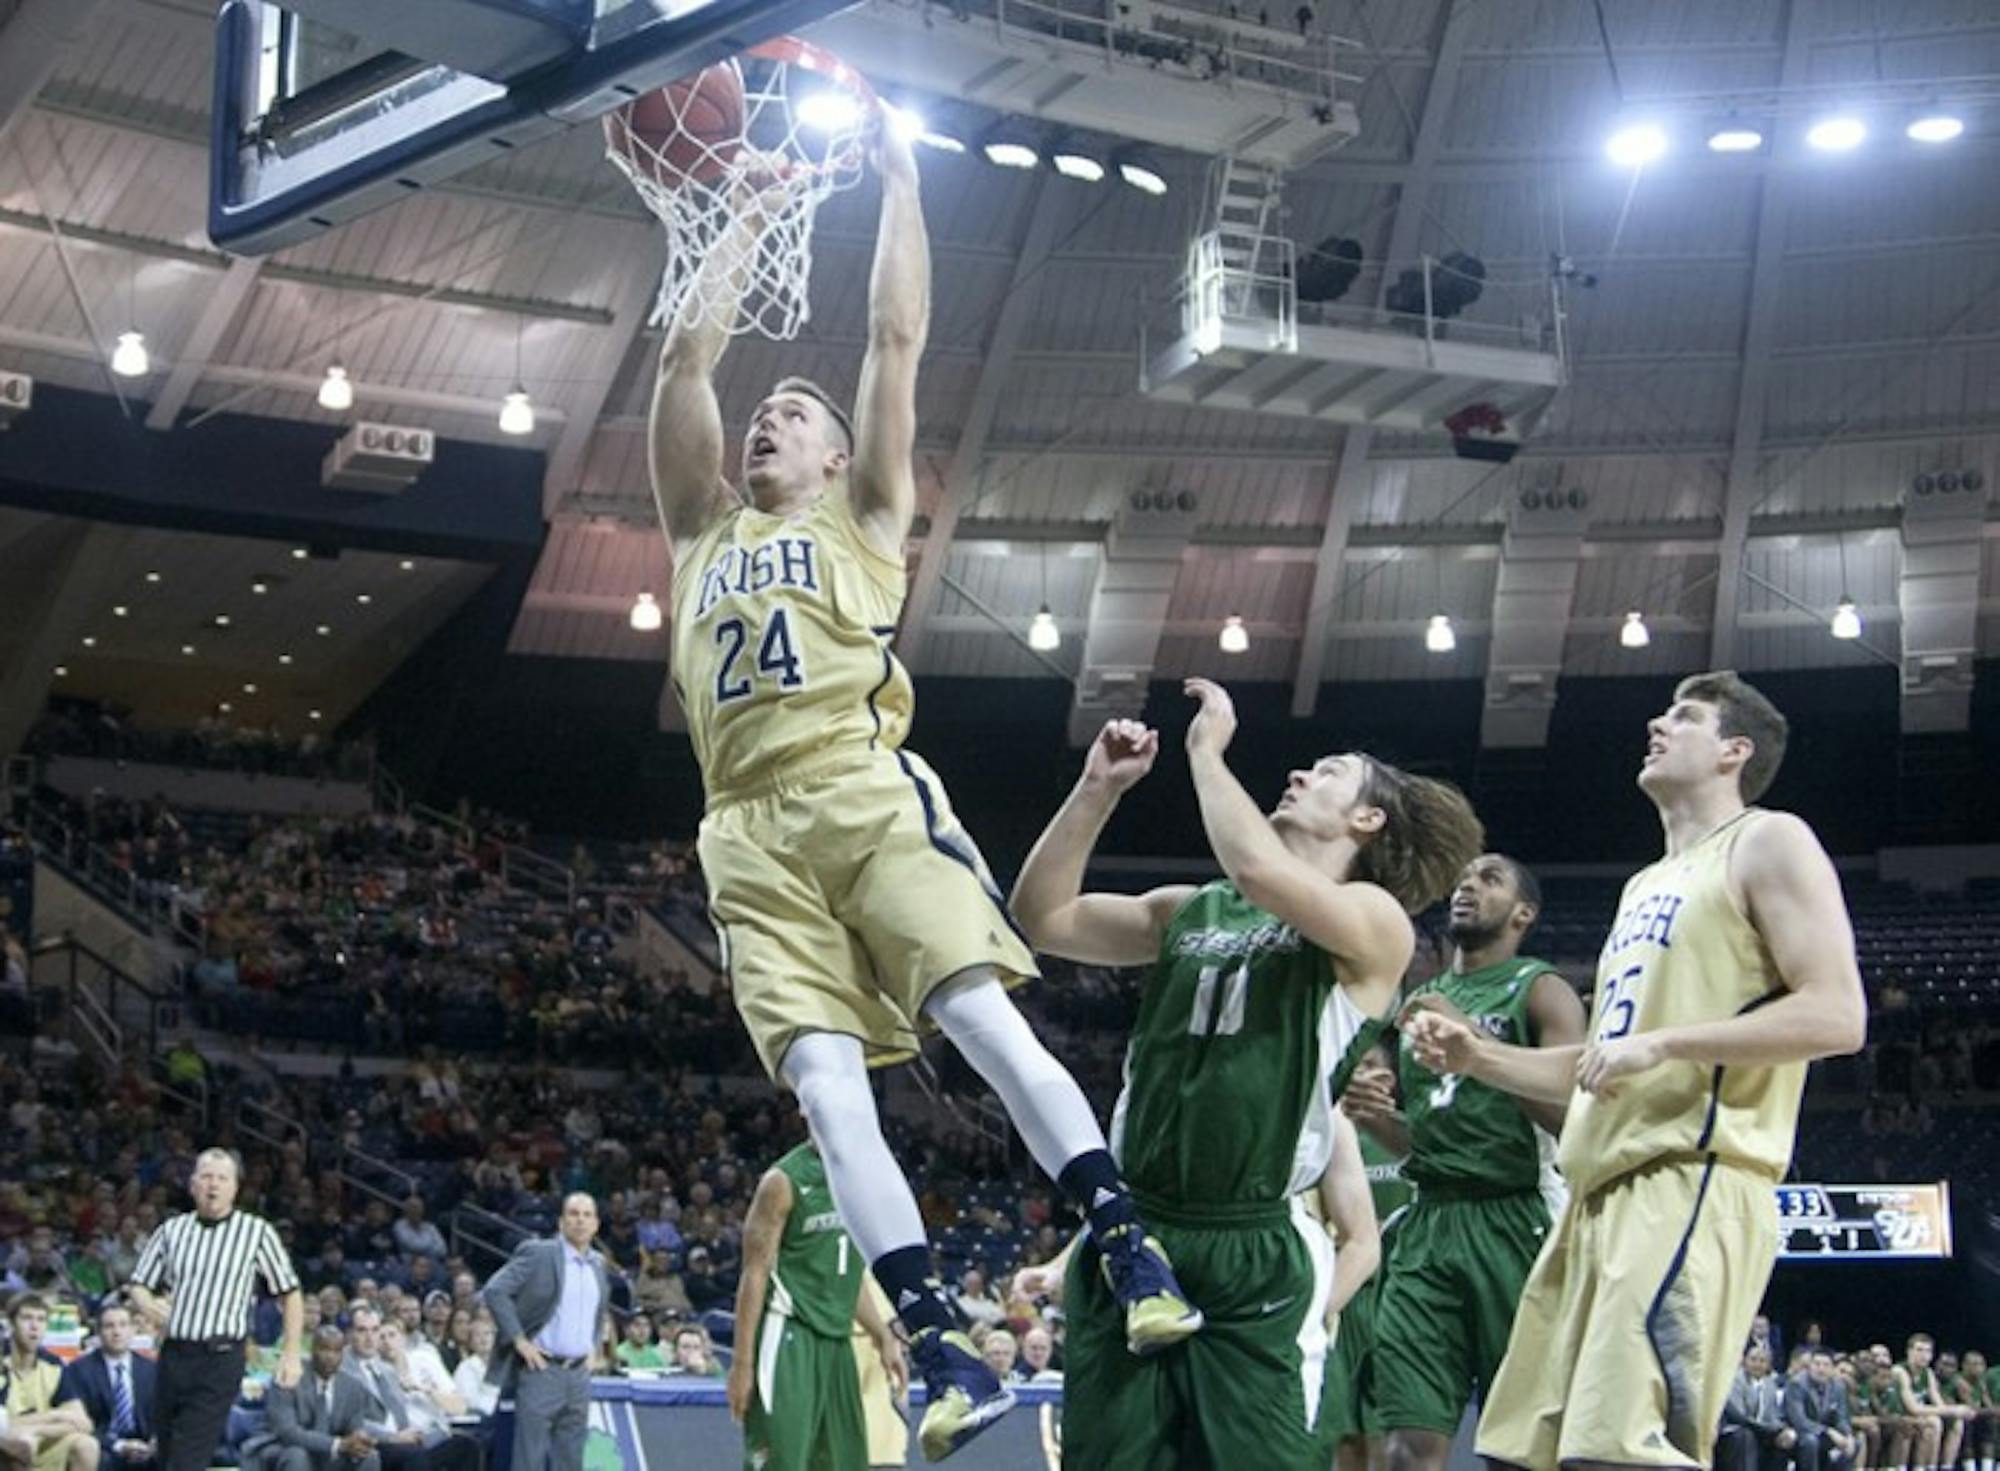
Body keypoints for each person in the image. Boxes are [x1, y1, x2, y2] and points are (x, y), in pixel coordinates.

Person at [649, 111, 1193, 1460]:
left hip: (859, 787)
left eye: (796, 414)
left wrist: (897, 179)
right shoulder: (700, 530)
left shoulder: (865, 512)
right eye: (763, 414)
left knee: (980, 1019)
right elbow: (683, 358)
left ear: (840, 457)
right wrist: (747, 224)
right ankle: (939, 1335)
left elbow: (897, 341)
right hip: (745, 837)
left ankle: (1126, 1244)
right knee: (829, 1093)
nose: (771, 418)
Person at [1009, 688, 1481, 1469]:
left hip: (1252, 1241)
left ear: (1367, 821)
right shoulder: (1190, 908)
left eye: (1329, 772)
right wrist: (1097, 789)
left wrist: (1205, 752)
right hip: (1136, 1234)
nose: (1300, 771)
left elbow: (1260, 870)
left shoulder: (1374, 921)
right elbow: (1045, 917)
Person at [1409, 671, 1868, 1470]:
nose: (1656, 723)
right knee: (1523, 1452)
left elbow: (1837, 1014)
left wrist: (1666, 1044)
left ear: (1735, 750)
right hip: (1595, 1194)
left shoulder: (1770, 838)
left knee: (1618, 1454)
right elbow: (1601, 1063)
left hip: (1688, 1177)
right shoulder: (1645, 883)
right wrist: (1478, 1055)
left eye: (1683, 717)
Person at [1342, 854, 1586, 1471]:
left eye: (1490, 879)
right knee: (1406, 1445)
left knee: (1523, 1447)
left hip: (1517, 1219)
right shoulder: (1419, 999)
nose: (1467, 886)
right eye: (1464, 878)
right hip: (1429, 1229)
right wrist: (1377, 1120)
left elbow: (1575, 1122)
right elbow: (1430, 1145)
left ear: (1524, 914)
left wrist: (1476, 1045)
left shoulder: (1543, 989)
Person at [727, 1141, 908, 1471]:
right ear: (807, 1110)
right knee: (781, 1462)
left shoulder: (862, 1178)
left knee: (842, 1463)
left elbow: (844, 1276)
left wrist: (882, 1334)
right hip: (788, 1333)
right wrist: (742, 1364)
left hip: (836, 1339)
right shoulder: (783, 1181)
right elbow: (754, 1273)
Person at [126, 1148, 304, 1471]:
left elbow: (290, 1293)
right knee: (165, 1452)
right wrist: (148, 1305)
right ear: (192, 1184)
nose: (213, 1185)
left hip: (220, 1357)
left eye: (222, 1178)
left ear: (235, 1188)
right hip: (174, 1354)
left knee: (188, 1457)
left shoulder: (256, 1232)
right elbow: (138, 1283)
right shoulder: (172, 1230)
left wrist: (291, 1353)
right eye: (206, 1177)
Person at [1320, 1045, 1414, 1471]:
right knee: (1342, 1428)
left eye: (1372, 1066)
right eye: (1355, 1065)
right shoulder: (1327, 1137)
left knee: (1386, 1428)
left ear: (1391, 1080)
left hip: (1394, 1292)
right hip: (1345, 1291)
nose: (1362, 1073)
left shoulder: (1405, 1141)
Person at [478, 1194, 612, 1471]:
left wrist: (593, 1346)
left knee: (571, 1460)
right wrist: (519, 1340)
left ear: (596, 1225)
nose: (580, 1220)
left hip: (579, 1375)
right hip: (542, 1370)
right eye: (573, 1214)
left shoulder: (599, 1264)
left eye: (587, 1215)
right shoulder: (540, 1253)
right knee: (530, 1460)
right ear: (561, 1222)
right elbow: (495, 1290)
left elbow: (598, 1312)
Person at [339, 1307, 476, 1471]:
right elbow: (351, 1421)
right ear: (349, 1334)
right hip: (376, 1442)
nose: (369, 1338)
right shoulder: (343, 1370)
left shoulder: (385, 1369)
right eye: (362, 1330)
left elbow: (400, 1411)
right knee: (414, 1456)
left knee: (466, 1446)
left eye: (375, 1330)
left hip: (404, 1438)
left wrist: (412, 1434)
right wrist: (393, 1437)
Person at [242, 1325, 379, 1471]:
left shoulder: (353, 1386)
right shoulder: (289, 1376)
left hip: (332, 1452)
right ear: (312, 1350)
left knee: (369, 1456)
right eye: (324, 1349)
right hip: (283, 1448)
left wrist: (359, 1438)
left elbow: (354, 1426)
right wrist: (337, 1444)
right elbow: (287, 1432)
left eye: (336, 1351)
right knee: (298, 1455)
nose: (330, 1356)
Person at [54, 1302, 158, 1471]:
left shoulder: (151, 1369)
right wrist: (118, 1445)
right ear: (99, 1332)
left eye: (123, 1325)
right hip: (103, 1446)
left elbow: (162, 1414)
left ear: (133, 1330)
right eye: (109, 1326)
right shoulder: (79, 1370)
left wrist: (156, 1440)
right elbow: (79, 1423)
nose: (117, 1332)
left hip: (145, 1445)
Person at [2, 1294, 99, 1471]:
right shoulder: (3, 1363)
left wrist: (36, 1430)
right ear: (11, 1324)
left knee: (87, 1445)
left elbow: (84, 1422)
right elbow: (3, 1427)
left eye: (41, 1320)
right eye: (27, 1318)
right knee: (22, 1444)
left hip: (41, 1442)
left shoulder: (53, 1364)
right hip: (8, 1446)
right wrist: (55, 1416)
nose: (34, 1327)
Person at [1892, 1334, 1976, 1471]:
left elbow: (1939, 1404)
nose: (1923, 1355)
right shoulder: (1900, 1371)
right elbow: (1913, 1408)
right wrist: (1953, 1409)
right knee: (1933, 1422)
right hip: (1898, 1416)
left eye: (1928, 1351)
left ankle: (1944, 1467)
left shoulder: (1928, 1373)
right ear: (1909, 1351)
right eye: (1919, 1350)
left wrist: (1960, 1411)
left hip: (1917, 1416)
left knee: (1956, 1422)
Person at [1720, 1344, 1798, 1471]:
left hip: (1762, 1433)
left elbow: (1773, 1417)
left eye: (1762, 1361)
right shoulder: (1735, 1380)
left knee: (1783, 1442)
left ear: (1768, 1365)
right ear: (1744, 1361)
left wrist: (1782, 1431)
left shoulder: (1770, 1384)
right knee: (1747, 1436)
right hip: (1735, 1431)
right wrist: (1769, 1431)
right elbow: (1739, 1416)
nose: (1757, 1364)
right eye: (1753, 1359)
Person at [1786, 1349, 1858, 1471]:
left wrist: (1848, 1434)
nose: (1821, 1369)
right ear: (1809, 1367)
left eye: (1825, 1365)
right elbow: (1799, 1421)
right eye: (1817, 1364)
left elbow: (1841, 1417)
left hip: (1824, 1435)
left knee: (1854, 1443)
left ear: (1832, 1369)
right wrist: (1828, 1431)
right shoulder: (1797, 1384)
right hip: (1799, 1433)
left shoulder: (1838, 1386)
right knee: (1810, 1441)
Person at [448, 1320, 498, 1419]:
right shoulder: (465, 1368)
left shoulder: (503, 1366)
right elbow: (469, 1400)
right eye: (477, 1335)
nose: (483, 1339)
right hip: (478, 1419)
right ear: (470, 1342)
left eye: (487, 1334)